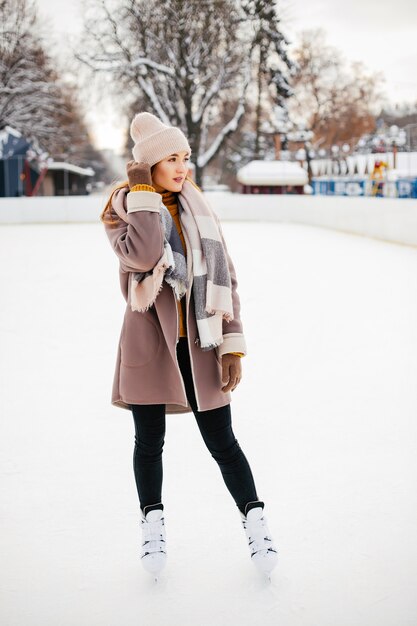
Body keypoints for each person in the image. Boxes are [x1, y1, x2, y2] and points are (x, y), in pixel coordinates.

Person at [100, 112, 278, 580]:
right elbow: (144, 254)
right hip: (150, 346)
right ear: (148, 166)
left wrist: (232, 345)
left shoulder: (200, 208)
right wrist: (141, 194)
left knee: (223, 441)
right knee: (149, 443)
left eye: (186, 158)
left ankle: (256, 522)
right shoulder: (123, 210)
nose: (182, 168)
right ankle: (152, 527)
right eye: (171, 159)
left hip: (201, 344)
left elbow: (228, 277)